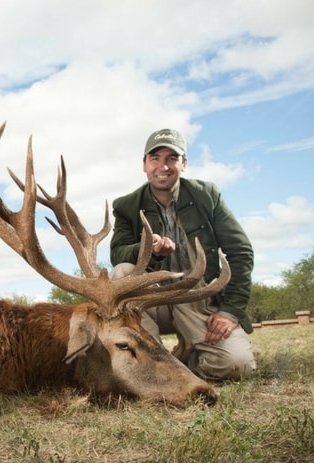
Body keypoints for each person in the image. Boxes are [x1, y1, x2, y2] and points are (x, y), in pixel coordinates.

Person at [110, 128, 256, 380]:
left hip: (197, 298)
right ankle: (150, 360)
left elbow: (240, 252)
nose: (163, 166)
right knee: (123, 271)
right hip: (153, 300)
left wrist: (230, 311)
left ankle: (185, 361)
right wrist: (148, 248)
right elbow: (118, 253)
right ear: (144, 165)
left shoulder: (207, 195)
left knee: (238, 367)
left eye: (171, 158)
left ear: (184, 164)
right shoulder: (126, 205)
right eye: (155, 158)